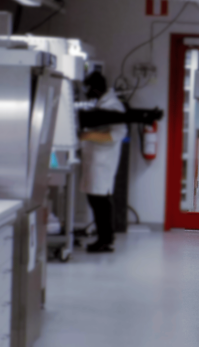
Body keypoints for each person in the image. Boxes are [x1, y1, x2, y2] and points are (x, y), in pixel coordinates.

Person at [79, 71, 127, 253]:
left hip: (102, 161)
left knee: (101, 201)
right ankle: (105, 237)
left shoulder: (114, 106)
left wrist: (88, 135)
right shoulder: (102, 103)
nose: (87, 93)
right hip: (95, 159)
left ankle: (105, 240)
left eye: (89, 89)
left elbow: (117, 134)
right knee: (96, 200)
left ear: (96, 89)